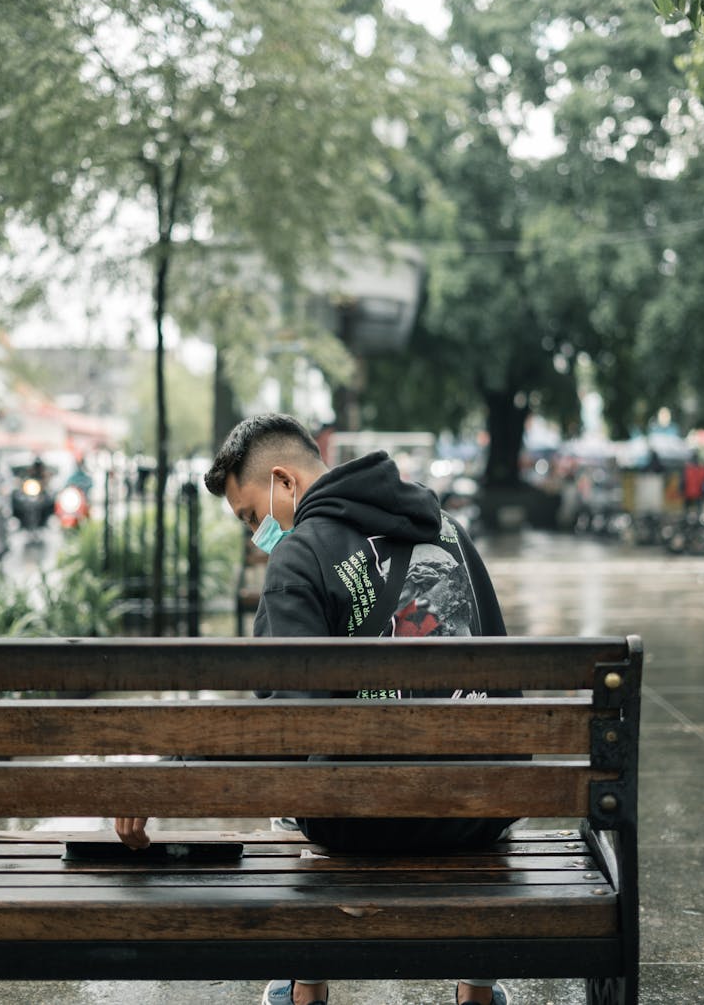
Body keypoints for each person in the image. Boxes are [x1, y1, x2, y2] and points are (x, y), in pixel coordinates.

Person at [116, 414, 514, 1005]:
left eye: (252, 516)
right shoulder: (450, 530)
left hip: (360, 825)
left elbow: (281, 728)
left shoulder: (299, 556)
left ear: (284, 482)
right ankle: (477, 994)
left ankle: (303, 991)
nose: (257, 535)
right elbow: (503, 681)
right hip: (481, 812)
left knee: (291, 790)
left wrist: (169, 773)